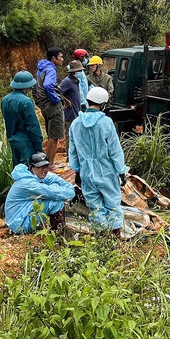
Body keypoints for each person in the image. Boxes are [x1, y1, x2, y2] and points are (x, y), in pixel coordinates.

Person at [67, 87, 129, 237]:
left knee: (95, 206)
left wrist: (77, 172)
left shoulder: (75, 124)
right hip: (106, 171)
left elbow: (73, 152)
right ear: (103, 104)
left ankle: (101, 237)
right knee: (113, 204)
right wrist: (121, 171)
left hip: (86, 172)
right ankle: (115, 237)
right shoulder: (106, 123)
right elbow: (115, 150)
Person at [5, 152, 76, 235]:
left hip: (25, 212)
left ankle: (55, 231)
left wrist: (67, 190)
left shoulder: (37, 174)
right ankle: (57, 236)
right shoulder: (27, 183)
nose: (44, 169)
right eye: (40, 167)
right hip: (19, 223)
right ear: (31, 167)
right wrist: (69, 192)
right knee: (56, 203)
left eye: (46, 166)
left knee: (54, 185)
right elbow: (54, 193)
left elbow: (62, 183)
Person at [1, 71, 43, 167]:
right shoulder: (26, 101)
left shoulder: (5, 100)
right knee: (28, 171)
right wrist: (38, 146)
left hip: (13, 142)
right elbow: (32, 126)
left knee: (18, 170)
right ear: (28, 86)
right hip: (27, 143)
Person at [34, 46, 67, 164]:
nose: (62, 59)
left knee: (50, 135)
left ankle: (47, 163)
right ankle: (50, 165)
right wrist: (55, 100)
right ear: (54, 58)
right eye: (61, 57)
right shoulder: (51, 70)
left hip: (44, 105)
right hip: (52, 106)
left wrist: (39, 102)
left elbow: (35, 87)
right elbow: (48, 86)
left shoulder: (41, 69)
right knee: (54, 136)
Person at [60, 61, 84, 134]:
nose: (81, 72)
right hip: (70, 115)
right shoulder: (67, 81)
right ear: (74, 72)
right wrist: (66, 101)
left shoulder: (76, 81)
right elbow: (57, 92)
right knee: (70, 137)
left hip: (77, 113)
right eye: (79, 71)